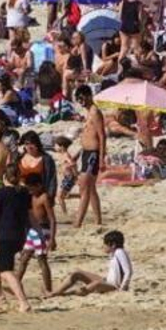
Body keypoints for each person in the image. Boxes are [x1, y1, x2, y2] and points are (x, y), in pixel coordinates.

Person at [45, 230, 131, 297]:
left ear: (113, 245)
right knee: (77, 273)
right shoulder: (115, 253)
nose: (103, 247)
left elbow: (128, 271)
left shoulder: (120, 252)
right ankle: (56, 292)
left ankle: (61, 294)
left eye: (105, 245)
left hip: (114, 286)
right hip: (108, 281)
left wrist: (123, 288)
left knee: (95, 284)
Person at [73, 85, 105, 228]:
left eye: (82, 98)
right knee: (90, 189)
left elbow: (102, 136)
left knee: (84, 188)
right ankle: (98, 220)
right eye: (79, 99)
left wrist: (102, 158)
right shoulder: (88, 113)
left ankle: (78, 222)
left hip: (93, 153)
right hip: (86, 153)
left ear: (88, 95)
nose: (81, 101)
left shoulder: (95, 112)